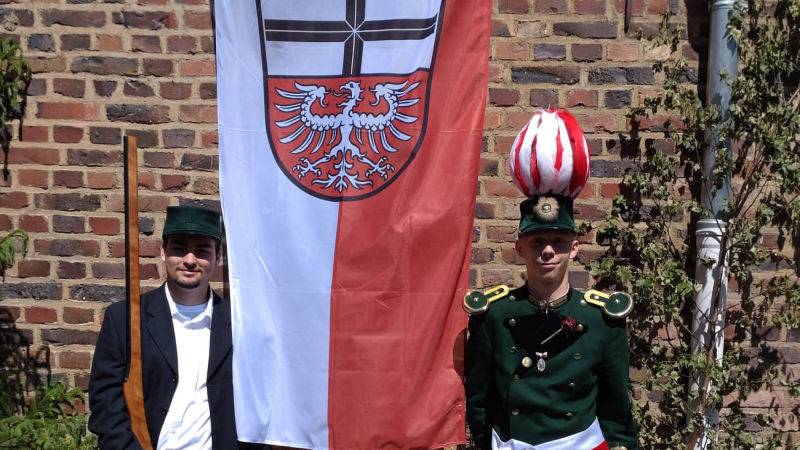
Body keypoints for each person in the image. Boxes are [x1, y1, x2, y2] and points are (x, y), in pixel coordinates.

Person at [464, 109, 638, 449]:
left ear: (574, 248)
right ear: (520, 247)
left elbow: (617, 412)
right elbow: (479, 403)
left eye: (558, 242)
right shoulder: (494, 316)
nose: (547, 251)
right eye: (537, 242)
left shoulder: (602, 320)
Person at [89, 205, 237, 449]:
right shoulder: (125, 319)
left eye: (201, 250)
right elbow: (105, 404)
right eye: (179, 249)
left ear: (218, 256)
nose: (190, 260)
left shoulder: (239, 324)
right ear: (162, 251)